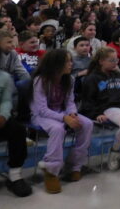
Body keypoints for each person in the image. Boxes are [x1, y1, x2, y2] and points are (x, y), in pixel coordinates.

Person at [31, 49, 94, 193]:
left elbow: (70, 102)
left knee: (87, 124)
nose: (71, 64)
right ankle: (51, 170)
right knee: (58, 128)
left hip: (61, 112)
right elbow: (41, 109)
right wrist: (64, 118)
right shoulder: (40, 80)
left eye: (71, 61)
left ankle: (75, 165)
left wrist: (72, 113)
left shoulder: (69, 79)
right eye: (67, 61)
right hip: (41, 116)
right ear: (56, 64)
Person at [0, 70, 32, 196]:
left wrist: (3, 115)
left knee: (18, 130)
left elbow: (6, 101)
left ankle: (15, 175)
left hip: (0, 117)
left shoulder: (5, 77)